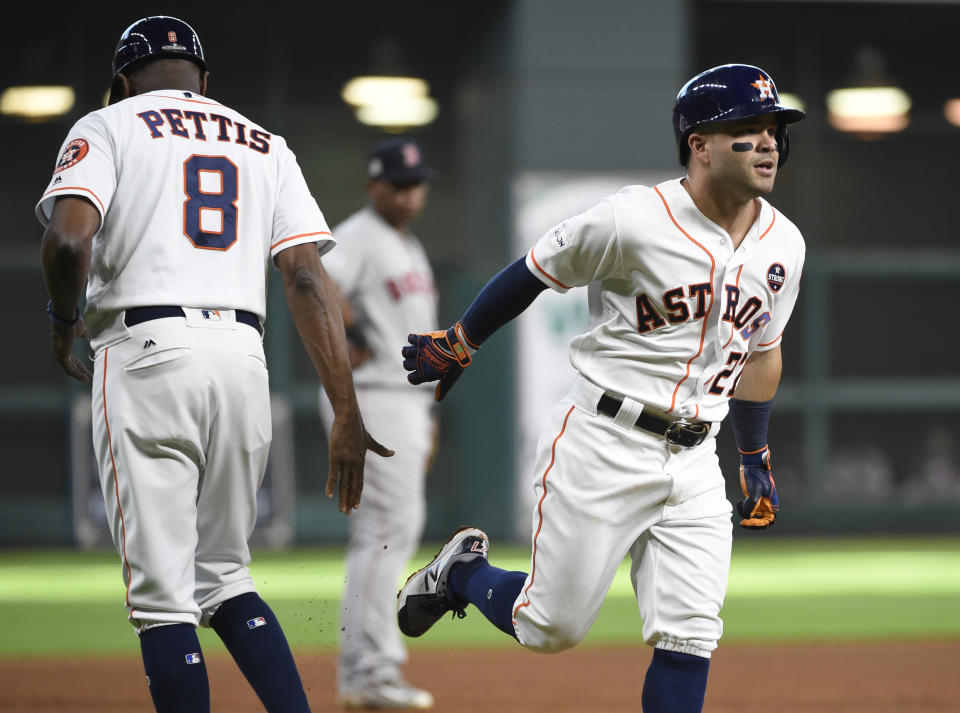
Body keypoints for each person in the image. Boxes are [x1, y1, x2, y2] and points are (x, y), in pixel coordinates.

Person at [396, 64, 805, 713]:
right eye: (746, 129)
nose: (767, 142)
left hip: (695, 460)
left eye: (773, 129)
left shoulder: (785, 243)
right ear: (698, 145)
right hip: (603, 440)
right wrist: (461, 340)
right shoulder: (634, 218)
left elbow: (763, 353)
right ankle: (462, 571)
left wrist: (753, 455)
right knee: (550, 626)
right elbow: (533, 270)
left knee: (690, 634)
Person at [37, 16, 391, 713]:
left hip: (146, 354)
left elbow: (69, 241)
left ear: (121, 81)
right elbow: (308, 278)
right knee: (225, 575)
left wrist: (60, 322)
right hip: (242, 361)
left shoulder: (108, 125)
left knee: (163, 598)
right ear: (204, 80)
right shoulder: (265, 142)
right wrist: (346, 409)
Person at [317, 137, 438, 709]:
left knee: (390, 532)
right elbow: (318, 275)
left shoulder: (406, 244)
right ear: (374, 186)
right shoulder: (361, 235)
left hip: (403, 400)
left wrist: (428, 414)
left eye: (417, 184)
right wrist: (355, 333)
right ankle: (369, 671)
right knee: (385, 532)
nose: (410, 194)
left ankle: (364, 672)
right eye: (398, 184)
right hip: (372, 396)